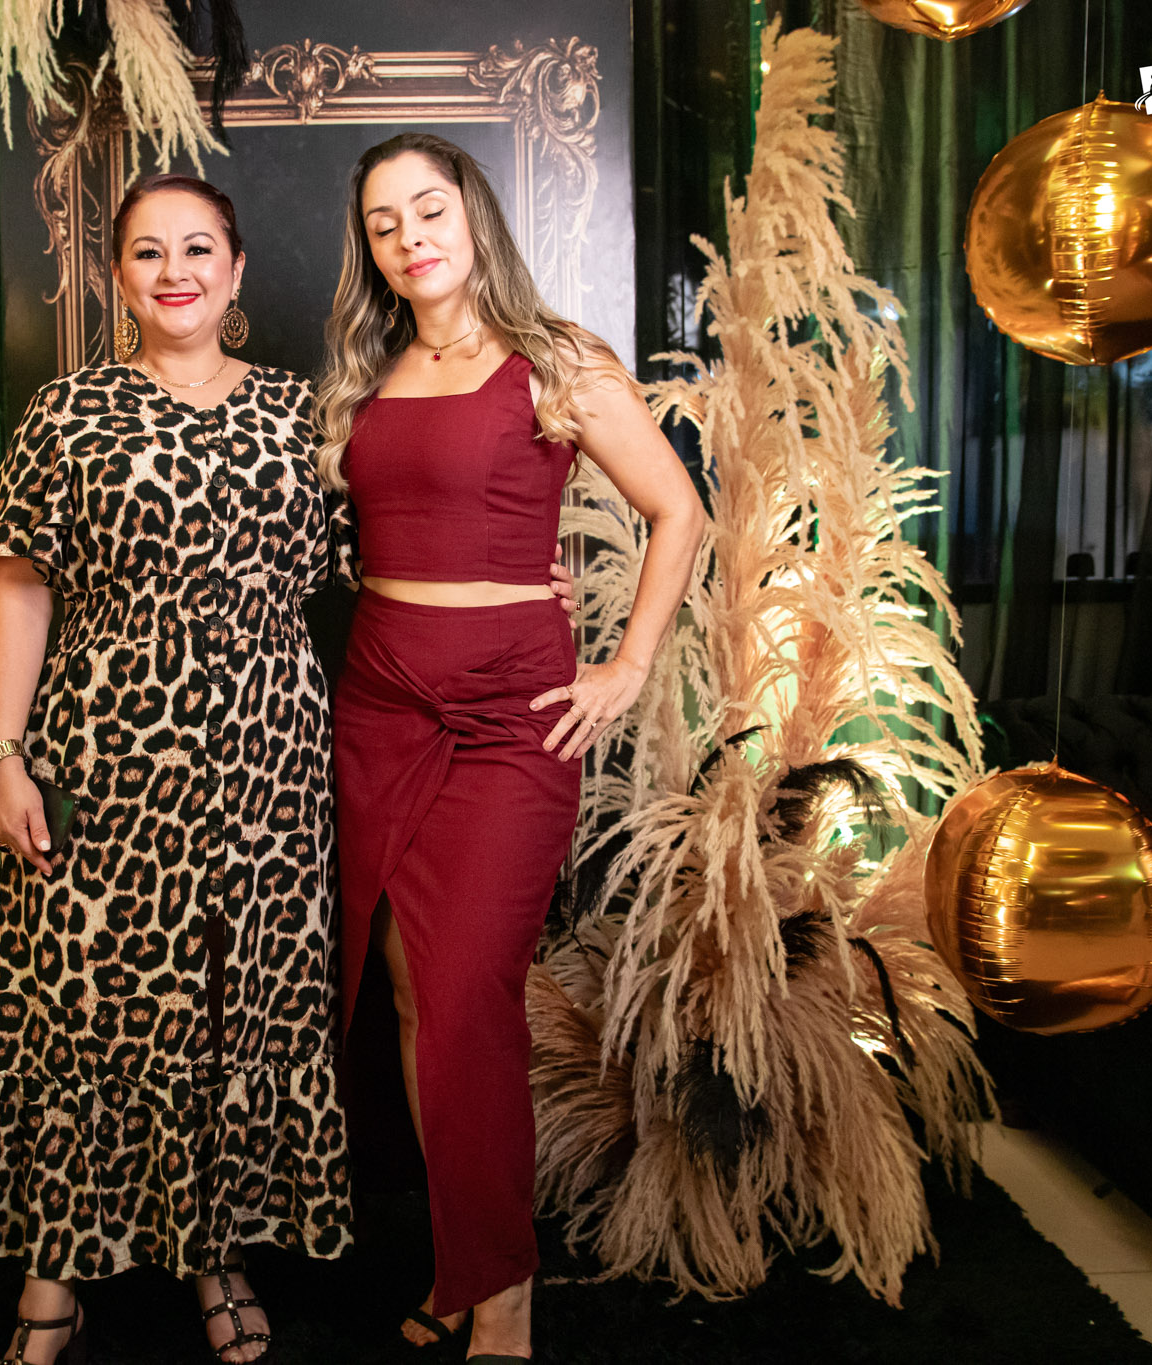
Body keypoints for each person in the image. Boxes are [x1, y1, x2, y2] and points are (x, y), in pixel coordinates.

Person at [316, 132, 706, 1363]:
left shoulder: (557, 361)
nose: (409, 237)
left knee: (466, 997)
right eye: (383, 223)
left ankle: (504, 1294)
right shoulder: (364, 373)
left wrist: (625, 665)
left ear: (472, 214)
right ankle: (463, 1256)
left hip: (506, 719)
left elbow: (677, 510)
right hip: (379, 704)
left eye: (428, 209)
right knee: (406, 997)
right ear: (369, 250)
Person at [0, 173, 353, 1365]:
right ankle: (53, 1271)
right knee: (86, 1007)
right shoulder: (66, 411)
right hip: (104, 756)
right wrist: (1, 757)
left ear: (235, 271)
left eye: (196, 249)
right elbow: (20, 597)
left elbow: (385, 562)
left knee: (235, 1011)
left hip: (269, 761)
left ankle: (215, 1254)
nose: (173, 271)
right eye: (147, 251)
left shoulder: (303, 413)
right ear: (116, 276)